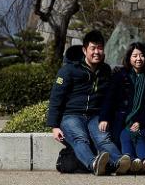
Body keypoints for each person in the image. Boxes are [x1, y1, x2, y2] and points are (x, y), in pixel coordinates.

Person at [46, 30, 126, 175]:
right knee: (80, 138)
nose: (97, 52)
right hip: (72, 115)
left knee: (103, 139)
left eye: (100, 48)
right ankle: (94, 163)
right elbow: (56, 98)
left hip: (95, 116)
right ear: (84, 50)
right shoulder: (68, 70)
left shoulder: (105, 70)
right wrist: (54, 126)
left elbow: (110, 97)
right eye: (93, 48)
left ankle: (121, 162)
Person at [99, 42, 145, 174]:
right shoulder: (120, 76)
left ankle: (142, 161)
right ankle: (132, 160)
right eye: (135, 55)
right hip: (122, 119)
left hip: (142, 121)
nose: (138, 59)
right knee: (125, 135)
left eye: (142, 55)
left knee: (139, 134)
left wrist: (140, 121)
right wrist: (104, 118)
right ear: (129, 58)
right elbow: (109, 99)